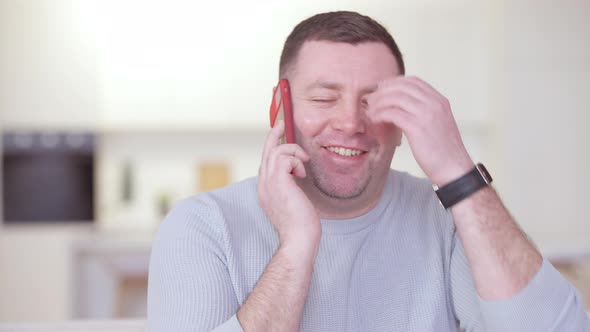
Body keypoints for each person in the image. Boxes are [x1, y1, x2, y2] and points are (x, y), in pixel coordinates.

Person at [147, 11, 589, 332]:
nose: (350, 123)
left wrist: (458, 170)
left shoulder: (446, 218)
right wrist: (298, 244)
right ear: (278, 111)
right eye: (324, 98)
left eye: (375, 102)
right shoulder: (202, 226)